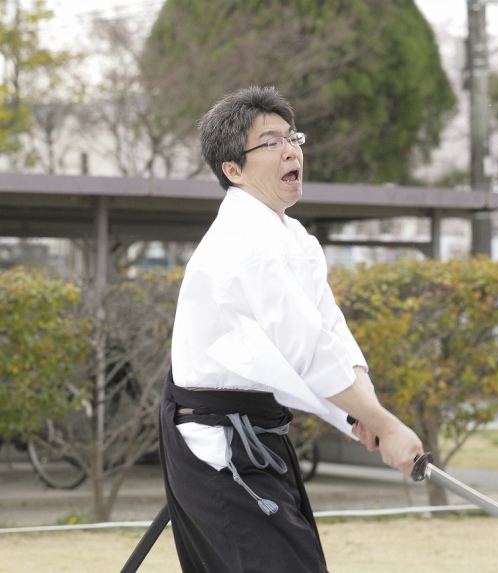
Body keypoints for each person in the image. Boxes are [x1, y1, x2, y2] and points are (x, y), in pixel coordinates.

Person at [159, 85, 424, 573]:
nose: (290, 150)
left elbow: (332, 335)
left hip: (258, 437)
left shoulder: (294, 237)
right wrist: (385, 424)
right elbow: (307, 353)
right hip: (219, 447)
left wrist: (361, 415)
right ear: (233, 170)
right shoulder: (246, 241)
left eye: (292, 137)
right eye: (270, 142)